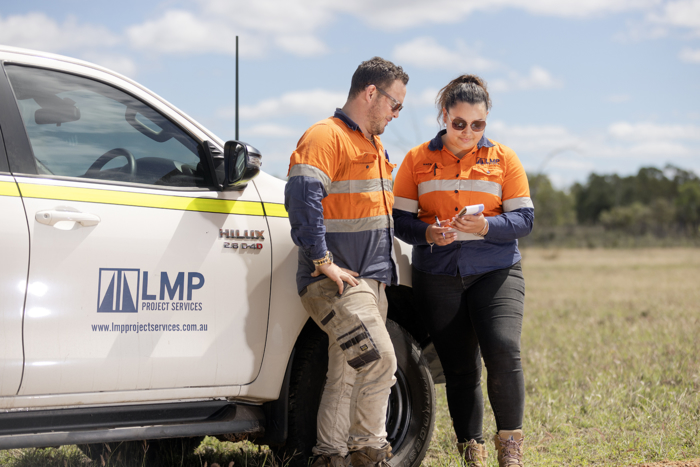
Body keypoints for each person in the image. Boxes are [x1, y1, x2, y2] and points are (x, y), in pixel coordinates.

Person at [392, 75, 534, 467]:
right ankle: (472, 450)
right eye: (459, 124)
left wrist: (488, 226)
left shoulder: (504, 159)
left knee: (503, 350)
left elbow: (524, 220)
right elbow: (400, 221)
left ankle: (510, 449)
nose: (468, 132)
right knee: (458, 366)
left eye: (478, 125)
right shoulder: (416, 159)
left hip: (496, 271)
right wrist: (427, 233)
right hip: (437, 275)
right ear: (444, 116)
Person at [284, 57, 409, 467]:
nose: (396, 114)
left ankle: (330, 456)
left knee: (348, 373)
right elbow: (303, 199)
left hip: (369, 283)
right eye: (395, 104)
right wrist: (323, 261)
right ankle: (368, 451)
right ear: (370, 92)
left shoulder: (373, 145)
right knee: (381, 360)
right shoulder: (325, 135)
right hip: (337, 284)